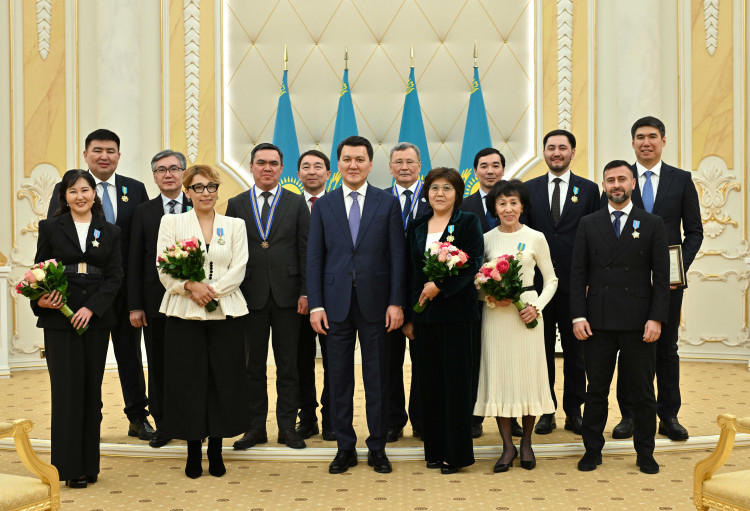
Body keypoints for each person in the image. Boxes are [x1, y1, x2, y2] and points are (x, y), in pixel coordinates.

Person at [307, 135, 406, 474]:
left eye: (360, 159)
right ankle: (344, 447)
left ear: (370, 164)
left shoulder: (387, 203)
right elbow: (314, 258)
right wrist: (316, 305)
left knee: (377, 379)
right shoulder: (324, 205)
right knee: (338, 380)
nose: (353, 165)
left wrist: (396, 302)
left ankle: (377, 447)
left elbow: (397, 257)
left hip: (377, 305)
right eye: (347, 159)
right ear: (338, 164)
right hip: (334, 305)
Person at [47, 129, 153, 441]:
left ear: (119, 155)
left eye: (110, 151)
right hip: (82, 295)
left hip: (125, 292)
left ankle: (138, 417)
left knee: (130, 356)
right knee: (87, 359)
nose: (104, 156)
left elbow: (144, 240)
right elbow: (55, 237)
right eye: (97, 150)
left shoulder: (135, 189)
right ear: (86, 154)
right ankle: (90, 418)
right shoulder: (67, 188)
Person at [572, 160, 669, 474]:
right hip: (597, 321)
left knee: (643, 392)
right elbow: (578, 274)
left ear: (632, 184)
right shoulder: (589, 223)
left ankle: (645, 452)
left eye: (622, 179)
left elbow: (662, 276)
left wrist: (656, 318)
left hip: (639, 322)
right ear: (603, 185)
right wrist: (577, 316)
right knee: (596, 391)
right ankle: (592, 450)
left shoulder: (652, 223)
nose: (616, 185)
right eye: (610, 180)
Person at [611, 116, 703, 442]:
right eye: (640, 137)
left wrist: (675, 269)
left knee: (666, 348)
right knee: (629, 348)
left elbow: (694, 232)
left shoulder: (681, 180)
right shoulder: (620, 179)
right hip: (627, 283)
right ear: (632, 143)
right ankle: (629, 416)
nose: (646, 142)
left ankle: (668, 416)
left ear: (663, 141)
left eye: (652, 136)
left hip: (669, 283)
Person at [157, 165, 251, 479]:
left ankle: (216, 450)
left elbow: (239, 267)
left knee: (223, 381)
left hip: (226, 312)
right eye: (198, 187)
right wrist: (190, 287)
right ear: (187, 192)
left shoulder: (234, 224)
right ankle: (193, 450)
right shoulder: (172, 222)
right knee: (188, 382)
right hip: (184, 312)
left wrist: (211, 292)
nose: (206, 193)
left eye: (211, 187)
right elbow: (164, 267)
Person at [33, 169, 124, 488]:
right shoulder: (50, 227)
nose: (80, 196)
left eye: (85, 190)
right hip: (60, 318)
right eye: (73, 191)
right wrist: (42, 300)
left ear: (94, 194)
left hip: (94, 320)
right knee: (66, 392)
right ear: (64, 197)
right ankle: (69, 468)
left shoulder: (110, 231)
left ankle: (89, 464)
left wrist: (92, 308)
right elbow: (38, 270)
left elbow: (115, 277)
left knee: (90, 393)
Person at [226, 143, 310, 451]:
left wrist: (306, 292)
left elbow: (306, 250)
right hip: (250, 297)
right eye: (261, 162)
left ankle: (287, 427)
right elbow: (229, 253)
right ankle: (254, 427)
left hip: (289, 297)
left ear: (281, 169)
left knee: (289, 366)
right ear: (251, 167)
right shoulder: (236, 204)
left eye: (273, 163)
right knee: (253, 367)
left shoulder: (296, 202)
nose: (267, 168)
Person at [402, 167, 483, 474]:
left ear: (457, 193)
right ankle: (434, 450)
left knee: (456, 385)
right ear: (426, 193)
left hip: (457, 314)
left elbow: (473, 262)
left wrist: (440, 285)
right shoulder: (418, 225)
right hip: (425, 317)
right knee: (430, 385)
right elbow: (412, 273)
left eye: (447, 188)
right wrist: (411, 316)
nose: (440, 193)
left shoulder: (467, 221)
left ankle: (456, 454)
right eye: (434, 187)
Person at [474, 179, 558, 472]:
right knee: (501, 377)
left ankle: (527, 443)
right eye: (502, 203)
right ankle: (508, 446)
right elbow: (477, 283)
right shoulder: (486, 239)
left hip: (527, 314)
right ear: (494, 208)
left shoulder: (536, 237)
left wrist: (537, 307)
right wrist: (490, 297)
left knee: (527, 377)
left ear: (522, 207)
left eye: (513, 203)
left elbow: (551, 280)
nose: (508, 208)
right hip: (496, 316)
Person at [523, 129, 600, 435]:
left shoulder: (589, 190)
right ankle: (546, 411)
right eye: (551, 147)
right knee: (540, 353)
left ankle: (574, 411)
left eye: (562, 148)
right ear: (544, 152)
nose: (556, 152)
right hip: (538, 287)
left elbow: (596, 238)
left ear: (572, 152)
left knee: (575, 353)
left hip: (575, 285)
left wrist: (591, 280)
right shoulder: (528, 189)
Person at [128, 150, 191, 448]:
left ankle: (192, 422)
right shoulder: (143, 212)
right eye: (161, 170)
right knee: (159, 365)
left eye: (174, 168)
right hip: (155, 303)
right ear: (154, 177)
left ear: (183, 173)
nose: (168, 174)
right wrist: (135, 305)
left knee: (190, 364)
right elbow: (135, 260)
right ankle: (164, 424)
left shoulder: (199, 204)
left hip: (193, 302)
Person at [460, 148, 521, 438]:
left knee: (508, 359)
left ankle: (512, 414)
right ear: (475, 172)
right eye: (483, 166)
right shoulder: (463, 205)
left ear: (503, 170)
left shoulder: (515, 203)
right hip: (473, 300)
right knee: (475, 358)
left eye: (496, 165)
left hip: (509, 301)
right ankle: (474, 416)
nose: (490, 170)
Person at [385, 142, 432, 443]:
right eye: (398, 162)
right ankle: (393, 421)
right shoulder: (377, 199)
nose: (404, 167)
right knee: (389, 364)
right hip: (386, 296)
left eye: (410, 162)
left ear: (419, 166)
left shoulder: (435, 198)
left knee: (424, 363)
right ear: (389, 167)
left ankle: (422, 419)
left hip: (424, 295)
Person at [294, 149, 336, 442]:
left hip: (334, 297)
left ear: (328, 173)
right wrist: (304, 292)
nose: (312, 171)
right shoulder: (288, 205)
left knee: (334, 362)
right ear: (298, 174)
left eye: (318, 166)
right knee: (301, 362)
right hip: (297, 299)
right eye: (306, 166)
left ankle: (332, 419)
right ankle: (306, 418)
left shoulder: (338, 204)